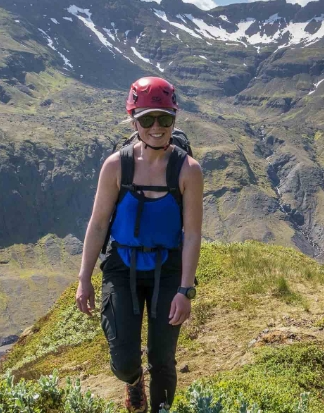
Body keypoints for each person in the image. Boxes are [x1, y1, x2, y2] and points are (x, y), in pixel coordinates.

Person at [75, 76, 203, 412]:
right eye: (147, 119)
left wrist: (185, 290)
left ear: (174, 119)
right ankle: (133, 382)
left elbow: (192, 234)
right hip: (122, 267)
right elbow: (99, 222)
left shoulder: (188, 171)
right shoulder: (117, 165)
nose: (157, 127)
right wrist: (84, 278)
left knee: (163, 360)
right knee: (122, 359)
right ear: (134, 121)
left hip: (168, 269)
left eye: (165, 119)